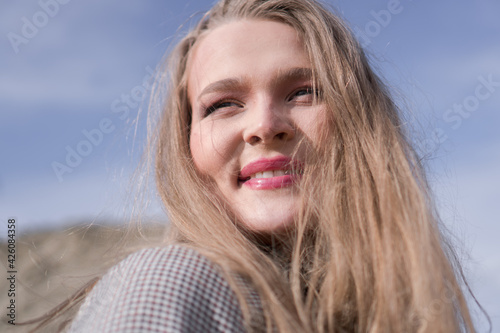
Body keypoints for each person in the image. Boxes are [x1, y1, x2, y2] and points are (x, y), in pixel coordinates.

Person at [62, 0, 478, 332]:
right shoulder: (172, 284)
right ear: (185, 145)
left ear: (361, 122)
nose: (264, 126)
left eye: (303, 92)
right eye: (223, 104)